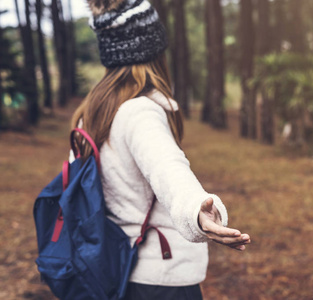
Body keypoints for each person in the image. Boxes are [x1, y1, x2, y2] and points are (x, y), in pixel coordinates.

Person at [70, 0, 251, 299]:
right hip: (160, 281)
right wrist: (197, 211)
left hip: (115, 271)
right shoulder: (140, 112)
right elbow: (167, 168)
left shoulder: (90, 113)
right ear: (153, 52)